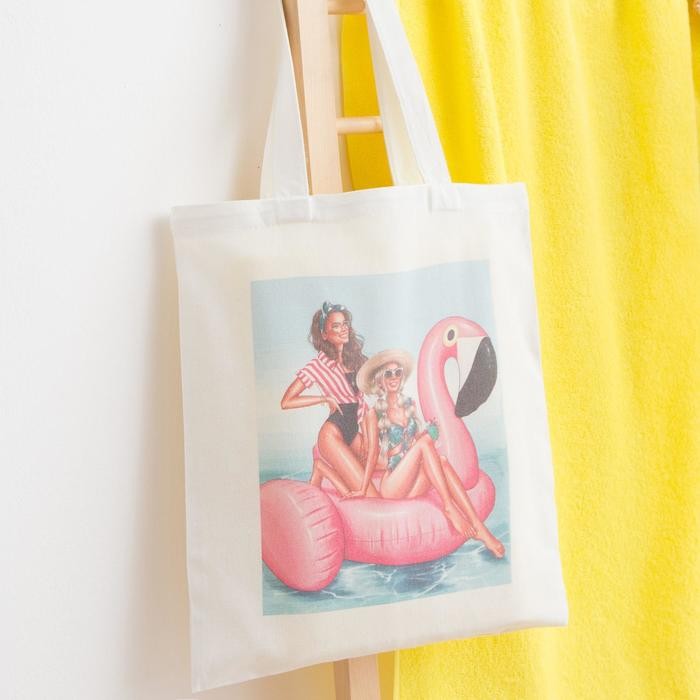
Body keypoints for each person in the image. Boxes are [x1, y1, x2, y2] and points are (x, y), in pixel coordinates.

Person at [353, 349, 505, 558]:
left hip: (413, 481)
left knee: (442, 461)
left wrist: (429, 434)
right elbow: (372, 454)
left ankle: (480, 528)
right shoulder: (373, 414)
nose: (394, 377)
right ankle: (449, 507)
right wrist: (363, 488)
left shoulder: (410, 405)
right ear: (380, 381)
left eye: (397, 372)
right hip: (393, 485)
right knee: (426, 445)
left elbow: (415, 443)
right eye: (388, 374)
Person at [280, 301, 380, 497]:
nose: (343, 329)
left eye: (345, 324)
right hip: (332, 435)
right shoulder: (317, 365)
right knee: (371, 495)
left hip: (352, 432)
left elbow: (361, 401)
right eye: (336, 326)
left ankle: (322, 468)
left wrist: (367, 436)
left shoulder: (354, 360)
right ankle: (322, 468)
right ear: (324, 334)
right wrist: (323, 398)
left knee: (389, 463)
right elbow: (286, 401)